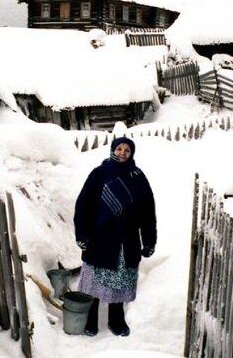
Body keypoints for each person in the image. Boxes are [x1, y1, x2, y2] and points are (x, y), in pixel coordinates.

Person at [73, 136, 157, 337]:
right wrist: (82, 234)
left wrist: (149, 241)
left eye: (127, 150)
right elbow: (83, 205)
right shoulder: (99, 174)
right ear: (112, 150)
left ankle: (116, 320)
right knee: (94, 282)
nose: (122, 153)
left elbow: (148, 212)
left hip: (126, 240)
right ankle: (90, 320)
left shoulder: (138, 177)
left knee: (119, 282)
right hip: (99, 238)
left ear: (132, 153)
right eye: (119, 149)